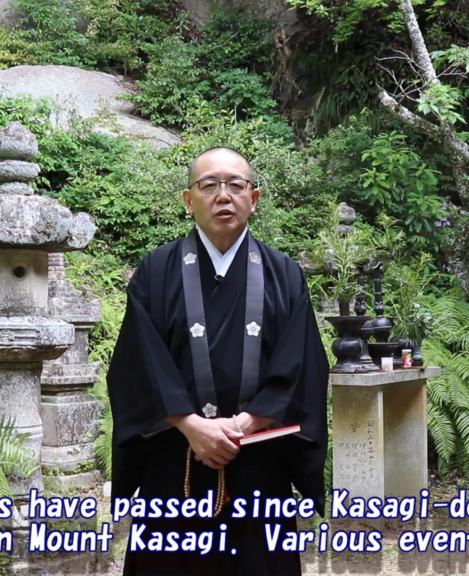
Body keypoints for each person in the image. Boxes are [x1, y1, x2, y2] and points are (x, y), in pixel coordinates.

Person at [106, 147, 330, 576]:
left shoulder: (284, 273)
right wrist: (193, 426)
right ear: (189, 200)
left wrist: (243, 426)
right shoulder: (156, 270)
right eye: (209, 185)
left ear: (254, 198)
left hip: (258, 463)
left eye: (235, 185)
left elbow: (301, 366)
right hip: (176, 464)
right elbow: (140, 361)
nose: (223, 195)